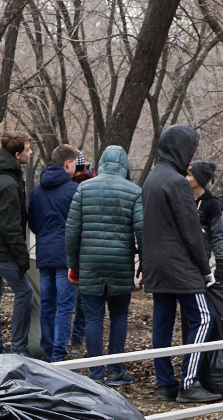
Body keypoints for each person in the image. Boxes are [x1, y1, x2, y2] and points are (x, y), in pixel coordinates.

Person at [143, 123, 219, 404]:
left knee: (162, 324)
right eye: (190, 149)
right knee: (204, 317)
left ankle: (166, 385)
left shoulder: (152, 179)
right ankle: (189, 383)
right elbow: (191, 232)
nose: (191, 155)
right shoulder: (177, 182)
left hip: (156, 266)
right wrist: (205, 270)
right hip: (180, 266)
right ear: (180, 148)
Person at [67, 145, 141, 386]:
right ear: (124, 165)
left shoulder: (84, 188)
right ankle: (117, 371)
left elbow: (72, 231)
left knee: (93, 318)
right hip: (121, 262)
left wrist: (73, 264)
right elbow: (142, 229)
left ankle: (96, 375)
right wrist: (145, 263)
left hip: (91, 263)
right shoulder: (134, 191)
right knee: (119, 315)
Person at [0, 132, 38, 357]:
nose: (31, 154)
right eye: (29, 150)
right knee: (25, 292)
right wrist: (21, 257)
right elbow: (11, 227)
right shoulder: (7, 182)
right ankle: (19, 348)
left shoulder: (0, 173)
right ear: (17, 154)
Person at [30, 144, 83, 361]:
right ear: (68, 163)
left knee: (47, 304)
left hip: (44, 253)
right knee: (65, 306)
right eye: (75, 165)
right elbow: (80, 224)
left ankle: (48, 349)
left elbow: (33, 221)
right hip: (66, 256)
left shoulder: (36, 190)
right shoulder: (74, 191)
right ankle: (59, 353)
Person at [188, 160, 223, 283]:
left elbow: (217, 235)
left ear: (199, 179)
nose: (185, 178)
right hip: (180, 262)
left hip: (200, 265)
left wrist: (219, 265)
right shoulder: (183, 200)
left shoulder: (212, 203)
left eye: (189, 175)